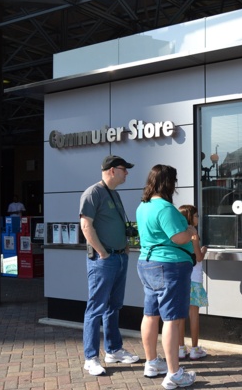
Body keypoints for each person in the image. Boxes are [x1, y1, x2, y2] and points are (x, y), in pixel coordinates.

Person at [136, 164, 197, 389]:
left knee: (150, 314)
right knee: (171, 319)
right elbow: (177, 238)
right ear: (168, 182)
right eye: (174, 181)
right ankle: (174, 374)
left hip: (147, 263)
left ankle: (152, 363)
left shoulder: (143, 206)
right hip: (170, 266)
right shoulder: (165, 208)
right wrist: (190, 231)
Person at [79, 155, 139, 376]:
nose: (127, 173)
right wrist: (102, 252)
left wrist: (124, 247)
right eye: (124, 169)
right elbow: (86, 226)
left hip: (119, 257)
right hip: (103, 260)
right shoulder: (93, 193)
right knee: (96, 308)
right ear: (112, 170)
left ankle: (113, 350)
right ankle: (91, 358)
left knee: (114, 306)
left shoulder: (114, 193)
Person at [177, 204, 208, 360]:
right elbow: (198, 258)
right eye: (195, 215)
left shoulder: (178, 235)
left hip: (181, 279)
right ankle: (195, 349)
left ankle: (181, 348)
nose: (198, 218)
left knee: (180, 316)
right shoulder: (193, 234)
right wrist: (203, 250)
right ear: (189, 217)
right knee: (194, 315)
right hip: (194, 280)